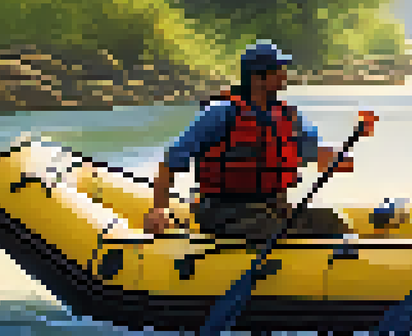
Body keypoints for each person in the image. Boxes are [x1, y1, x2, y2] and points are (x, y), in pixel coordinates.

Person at [142, 40, 376, 239]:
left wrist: (351, 143)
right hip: (224, 210)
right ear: (258, 78)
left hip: (272, 207)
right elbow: (170, 161)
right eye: (278, 70)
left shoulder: (288, 116)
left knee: (332, 220)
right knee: (275, 229)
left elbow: (319, 154)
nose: (285, 74)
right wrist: (159, 209)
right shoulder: (222, 113)